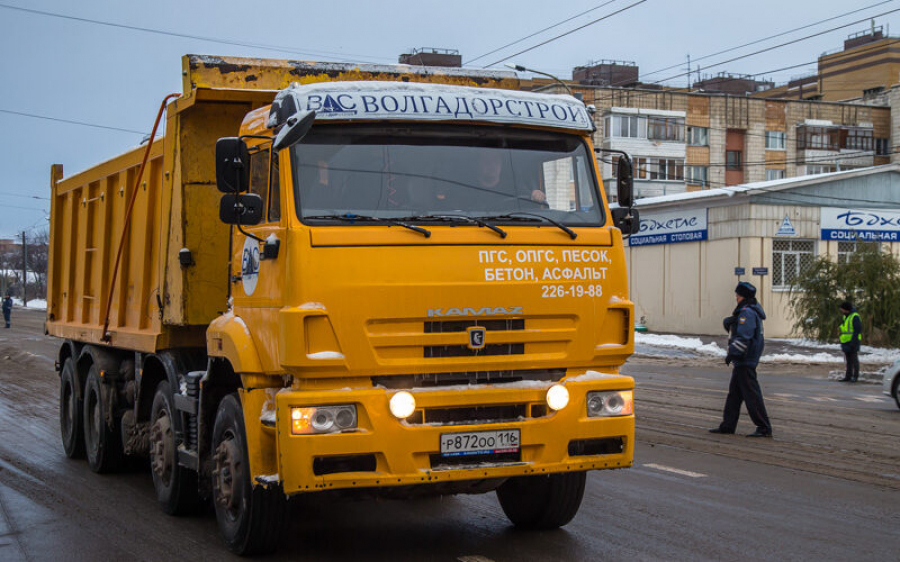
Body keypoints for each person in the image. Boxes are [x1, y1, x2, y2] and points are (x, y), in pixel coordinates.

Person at [709, 282, 773, 438]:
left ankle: (764, 428)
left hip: (745, 360)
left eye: (737, 295)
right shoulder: (747, 311)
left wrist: (734, 353)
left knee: (752, 395)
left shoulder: (747, 313)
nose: (736, 298)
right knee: (734, 396)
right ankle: (728, 425)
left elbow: (745, 337)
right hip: (743, 360)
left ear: (742, 296)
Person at [838, 301, 862, 382]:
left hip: (853, 342)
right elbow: (845, 328)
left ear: (846, 309)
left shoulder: (855, 316)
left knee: (854, 360)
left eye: (842, 309)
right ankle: (848, 376)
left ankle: (855, 377)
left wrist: (853, 342)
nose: (841, 311)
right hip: (846, 341)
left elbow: (857, 330)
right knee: (848, 360)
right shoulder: (845, 317)